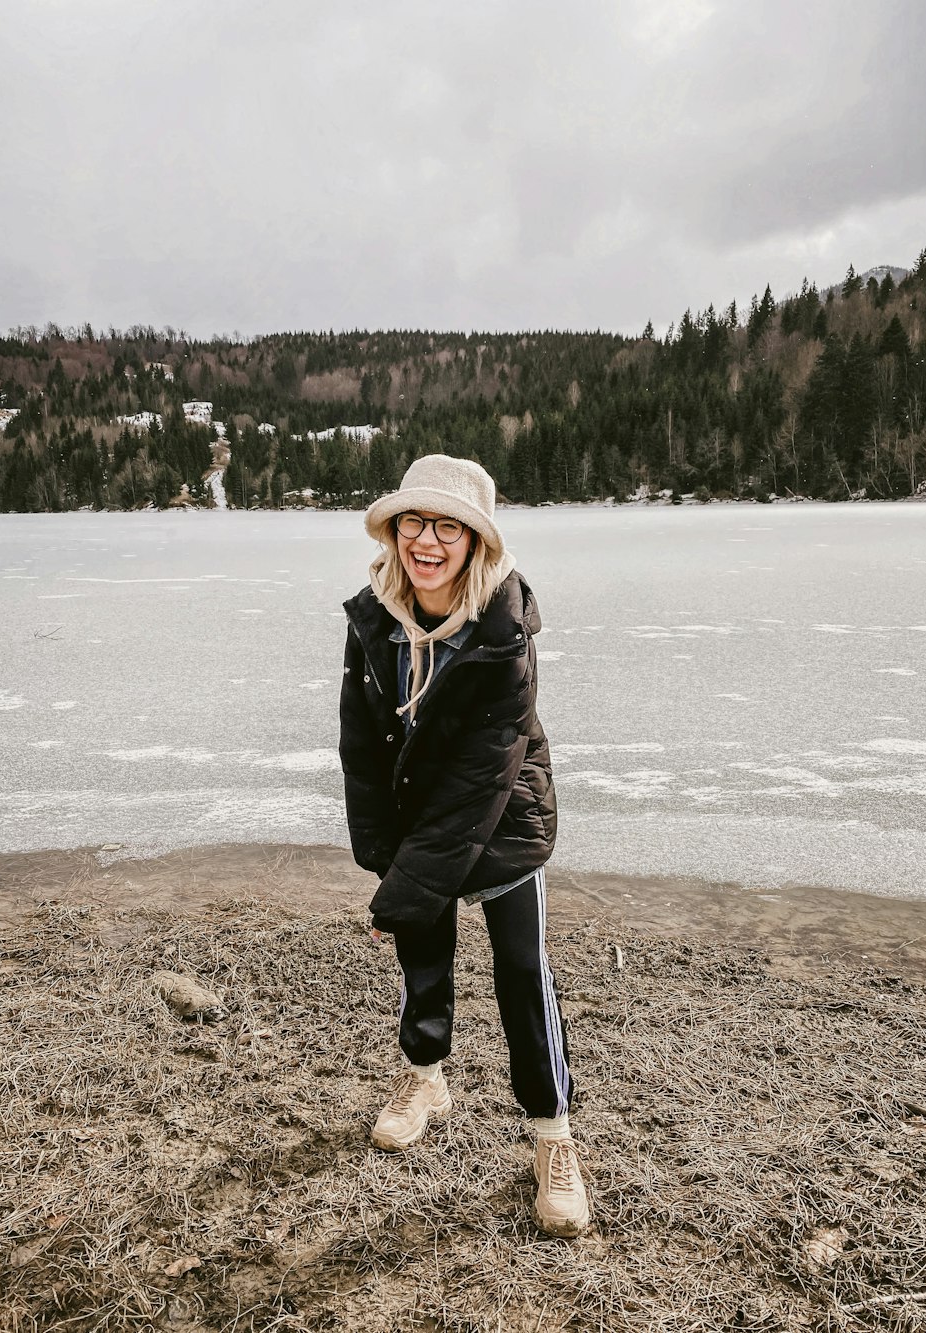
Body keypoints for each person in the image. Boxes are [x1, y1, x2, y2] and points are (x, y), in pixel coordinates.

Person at [339, 453, 590, 1238]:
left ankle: (553, 1139)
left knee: (522, 973)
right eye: (415, 521)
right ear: (395, 532)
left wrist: (408, 881)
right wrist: (387, 855)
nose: (428, 540)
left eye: (449, 526)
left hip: (505, 818)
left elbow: (484, 777)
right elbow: (362, 746)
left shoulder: (504, 630)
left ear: (476, 542)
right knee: (424, 956)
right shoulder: (372, 617)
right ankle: (425, 1079)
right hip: (421, 820)